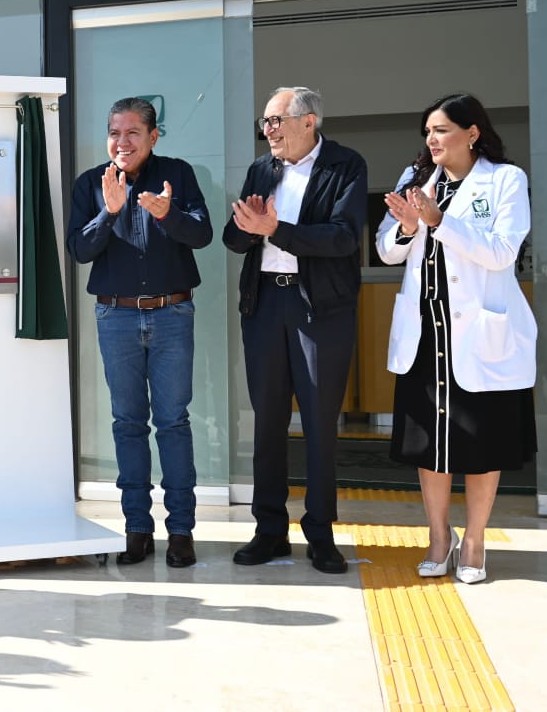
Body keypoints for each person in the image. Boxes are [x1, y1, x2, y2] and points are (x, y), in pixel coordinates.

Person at [376, 93, 536, 585]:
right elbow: (386, 252)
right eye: (428, 131)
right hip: (427, 333)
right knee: (432, 444)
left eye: (442, 130)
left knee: (482, 441)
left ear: (472, 133)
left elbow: (503, 252)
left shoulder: (505, 179)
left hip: (480, 332)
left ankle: (475, 540)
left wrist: (440, 222)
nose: (432, 140)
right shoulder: (416, 180)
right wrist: (405, 230)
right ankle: (439, 537)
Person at [223, 86, 367, 574]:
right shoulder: (263, 168)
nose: (268, 130)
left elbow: (344, 237)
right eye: (265, 122)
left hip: (320, 309)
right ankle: (269, 531)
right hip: (264, 303)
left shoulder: (345, 165)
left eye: (276, 120)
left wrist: (275, 230)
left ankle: (321, 534)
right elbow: (234, 237)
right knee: (267, 421)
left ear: (309, 122)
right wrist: (250, 227)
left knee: (320, 422)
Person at [66, 97, 211, 567]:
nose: (121, 142)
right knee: (127, 424)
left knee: (173, 422)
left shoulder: (179, 174)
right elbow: (80, 250)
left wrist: (168, 213)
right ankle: (136, 529)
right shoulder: (92, 183)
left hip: (172, 314)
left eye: (132, 133)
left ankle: (182, 531)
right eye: (114, 132)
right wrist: (108, 211)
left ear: (153, 136)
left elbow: (203, 234)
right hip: (117, 317)